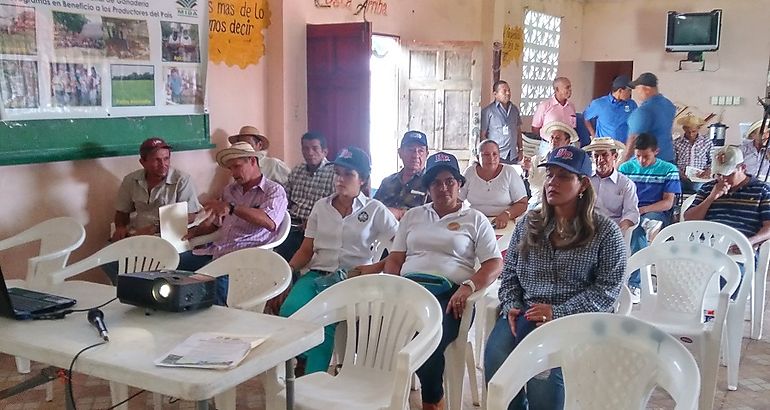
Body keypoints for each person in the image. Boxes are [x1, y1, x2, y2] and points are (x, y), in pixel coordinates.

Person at [484, 145, 626, 410]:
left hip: (574, 320)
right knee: (496, 359)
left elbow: (607, 291)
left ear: (583, 183)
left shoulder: (605, 232)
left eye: (563, 176)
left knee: (544, 374)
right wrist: (512, 304)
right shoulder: (529, 223)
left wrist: (557, 313)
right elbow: (511, 271)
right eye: (550, 175)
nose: (552, 183)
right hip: (526, 311)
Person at [384, 151, 503, 410]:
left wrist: (468, 286)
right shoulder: (413, 217)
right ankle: (383, 396)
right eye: (436, 182)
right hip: (410, 290)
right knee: (379, 325)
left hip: (452, 297)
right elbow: (395, 258)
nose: (443, 187)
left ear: (459, 184)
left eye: (449, 181)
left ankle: (432, 400)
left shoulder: (475, 219)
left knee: (428, 334)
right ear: (428, 187)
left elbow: (495, 263)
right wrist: (393, 286)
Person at [277, 146, 398, 374]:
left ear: (362, 179)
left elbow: (401, 248)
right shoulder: (321, 207)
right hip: (317, 275)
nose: (340, 179)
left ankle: (314, 380)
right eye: (338, 173)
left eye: (348, 174)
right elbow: (306, 249)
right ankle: (304, 358)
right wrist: (288, 273)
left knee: (325, 321)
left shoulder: (374, 210)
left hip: (352, 280)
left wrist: (377, 266)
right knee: (288, 310)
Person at [182, 142, 288, 305]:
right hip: (218, 251)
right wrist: (196, 231)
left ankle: (218, 322)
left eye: (237, 166)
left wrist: (232, 208)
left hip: (245, 258)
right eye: (230, 168)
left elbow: (270, 222)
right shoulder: (230, 190)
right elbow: (218, 223)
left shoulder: (273, 191)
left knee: (210, 285)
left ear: (253, 161)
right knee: (175, 268)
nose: (233, 173)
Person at [105, 138, 203, 285]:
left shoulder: (182, 180)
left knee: (151, 269)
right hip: (139, 237)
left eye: (166, 158)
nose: (163, 164)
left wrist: (155, 228)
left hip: (168, 238)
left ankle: (141, 291)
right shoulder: (131, 180)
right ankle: (125, 291)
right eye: (156, 160)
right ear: (143, 162)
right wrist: (120, 227)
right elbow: (122, 211)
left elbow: (189, 216)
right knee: (107, 258)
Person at [619, 133, 681, 296]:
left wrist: (643, 210)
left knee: (638, 229)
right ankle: (629, 278)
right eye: (638, 156)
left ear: (656, 152)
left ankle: (636, 283)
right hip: (631, 211)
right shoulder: (626, 168)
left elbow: (667, 203)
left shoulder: (669, 170)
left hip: (656, 212)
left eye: (646, 156)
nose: (641, 161)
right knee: (635, 228)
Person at [685, 145, 770, 247]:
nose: (723, 178)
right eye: (719, 174)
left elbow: (768, 226)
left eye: (729, 174)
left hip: (739, 246)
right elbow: (689, 219)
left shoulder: (762, 190)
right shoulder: (708, 187)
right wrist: (711, 198)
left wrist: (749, 242)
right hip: (705, 244)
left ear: (743, 168)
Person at [274, 132, 335, 262]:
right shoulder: (297, 170)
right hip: (293, 224)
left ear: (324, 151)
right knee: (280, 255)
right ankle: (287, 277)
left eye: (314, 148)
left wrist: (314, 220)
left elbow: (334, 205)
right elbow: (284, 198)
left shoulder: (334, 173)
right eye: (305, 148)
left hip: (317, 226)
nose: (310, 153)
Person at [460, 140, 528, 228]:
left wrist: (507, 214)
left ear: (499, 156)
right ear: (478, 157)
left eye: (495, 154)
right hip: (474, 221)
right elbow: (457, 199)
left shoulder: (509, 172)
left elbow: (522, 203)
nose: (491, 158)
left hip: (503, 223)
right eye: (486, 155)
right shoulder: (469, 172)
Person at [583, 137, 640, 234]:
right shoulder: (585, 180)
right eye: (596, 156)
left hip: (613, 231)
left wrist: (619, 231)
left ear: (615, 156)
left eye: (605, 155)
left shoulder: (626, 184)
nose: (600, 160)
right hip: (587, 229)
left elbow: (631, 212)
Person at [374, 130, 430, 219]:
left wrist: (401, 214)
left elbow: (434, 215)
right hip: (383, 230)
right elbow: (373, 208)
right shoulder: (387, 182)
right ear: (400, 153)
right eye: (410, 150)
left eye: (420, 151)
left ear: (427, 154)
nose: (415, 155)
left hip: (415, 230)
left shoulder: (431, 183)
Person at [623, 72, 676, 163]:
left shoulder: (644, 111)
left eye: (637, 89)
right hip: (668, 159)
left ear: (646, 89)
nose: (636, 92)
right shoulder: (669, 105)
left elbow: (633, 139)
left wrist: (622, 163)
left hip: (648, 163)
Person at [522, 121, 579, 203]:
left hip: (560, 205)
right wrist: (526, 170)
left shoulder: (571, 164)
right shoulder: (536, 160)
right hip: (537, 203)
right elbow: (527, 178)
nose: (553, 141)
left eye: (558, 138)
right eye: (552, 137)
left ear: (567, 142)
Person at [583, 75, 637, 143]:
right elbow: (586, 117)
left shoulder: (631, 104)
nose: (630, 93)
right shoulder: (599, 104)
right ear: (620, 90)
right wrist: (593, 134)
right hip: (605, 146)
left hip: (624, 145)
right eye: (629, 90)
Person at [480, 80, 523, 164]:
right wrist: (490, 154)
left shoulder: (514, 109)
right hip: (497, 155)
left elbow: (518, 131)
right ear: (495, 94)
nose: (508, 93)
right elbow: (483, 135)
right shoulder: (488, 111)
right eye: (504, 91)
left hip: (512, 155)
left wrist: (520, 149)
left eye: (509, 90)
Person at [531, 77, 576, 146]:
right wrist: (546, 141)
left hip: (567, 147)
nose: (570, 90)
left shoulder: (571, 107)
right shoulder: (544, 106)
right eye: (567, 87)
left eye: (570, 87)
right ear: (557, 89)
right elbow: (535, 128)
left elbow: (572, 127)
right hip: (547, 146)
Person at [673, 114, 713, 194]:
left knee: (698, 188)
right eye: (688, 132)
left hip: (699, 178)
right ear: (684, 129)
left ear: (698, 128)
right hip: (681, 177)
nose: (691, 134)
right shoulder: (677, 143)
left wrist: (708, 171)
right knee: (672, 188)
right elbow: (673, 162)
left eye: (693, 131)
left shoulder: (707, 142)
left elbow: (712, 161)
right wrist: (679, 173)